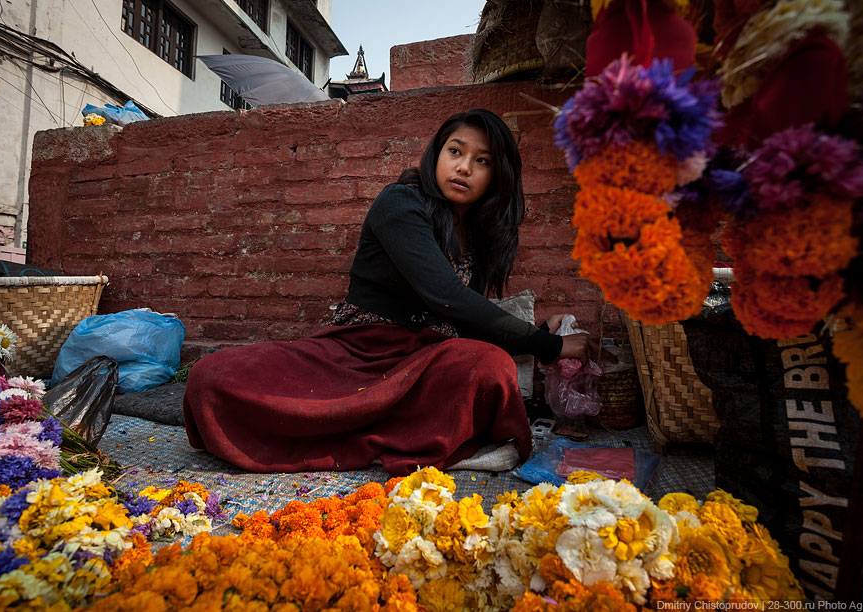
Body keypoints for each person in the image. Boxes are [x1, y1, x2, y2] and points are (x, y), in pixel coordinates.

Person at [183, 108, 594, 476]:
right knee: (210, 375)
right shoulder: (401, 203)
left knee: (489, 367)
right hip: (351, 353)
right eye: (455, 151)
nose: (464, 167)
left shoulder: (481, 235)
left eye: (481, 160)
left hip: (421, 362)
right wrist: (549, 346)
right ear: (437, 154)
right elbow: (446, 296)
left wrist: (544, 333)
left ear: (497, 175)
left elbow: (468, 317)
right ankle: (422, 441)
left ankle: (410, 437)